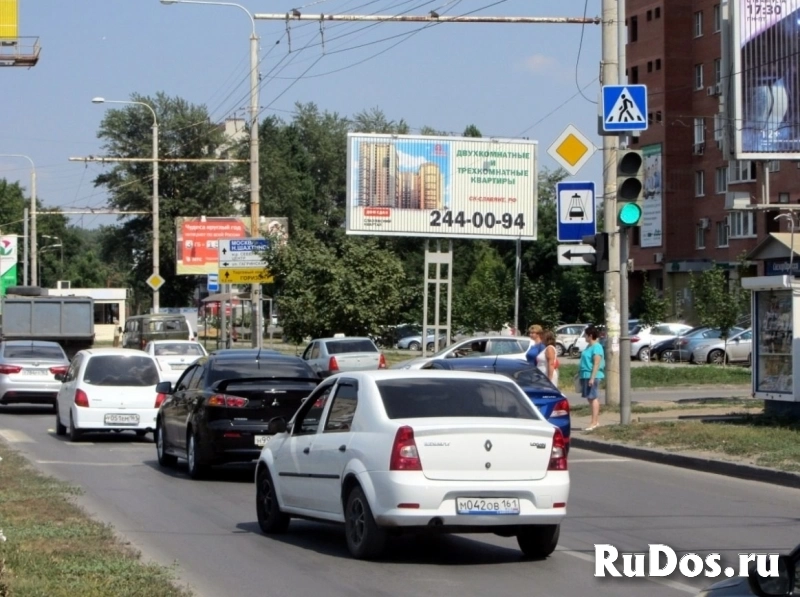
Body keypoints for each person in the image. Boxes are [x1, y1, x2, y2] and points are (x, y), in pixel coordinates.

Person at [579, 325, 605, 430]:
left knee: (593, 397)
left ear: (590, 335)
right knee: (590, 398)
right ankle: (595, 421)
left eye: (585, 335)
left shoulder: (597, 347)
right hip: (585, 374)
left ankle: (594, 422)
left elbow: (596, 363)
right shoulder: (588, 346)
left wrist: (592, 378)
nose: (584, 337)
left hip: (592, 375)